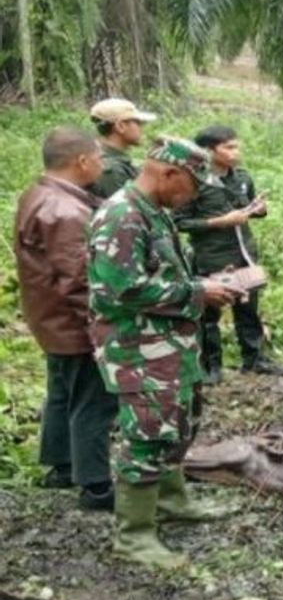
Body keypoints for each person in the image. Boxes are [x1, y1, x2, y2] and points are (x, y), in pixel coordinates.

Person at [89, 137, 243, 570]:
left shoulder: (154, 212)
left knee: (178, 424)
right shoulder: (122, 215)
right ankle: (134, 535)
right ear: (169, 173)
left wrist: (207, 283)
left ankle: (172, 500)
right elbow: (120, 289)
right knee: (147, 435)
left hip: (170, 344)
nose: (192, 197)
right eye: (192, 186)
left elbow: (161, 272)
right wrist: (197, 292)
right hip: (138, 348)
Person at [14, 127, 118, 511]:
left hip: (50, 320)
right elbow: (79, 281)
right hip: (73, 324)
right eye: (100, 158)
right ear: (82, 161)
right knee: (93, 401)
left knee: (62, 393)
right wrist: (103, 328)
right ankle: (96, 486)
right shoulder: (67, 212)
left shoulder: (38, 193)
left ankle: (62, 466)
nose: (103, 165)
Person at [175, 125, 283, 383]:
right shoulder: (194, 181)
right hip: (212, 257)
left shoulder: (242, 178)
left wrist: (258, 210)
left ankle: (255, 359)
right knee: (209, 316)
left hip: (244, 254)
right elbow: (178, 222)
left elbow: (247, 208)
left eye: (237, 146)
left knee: (249, 310)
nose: (236, 152)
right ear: (209, 151)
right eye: (229, 147)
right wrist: (219, 222)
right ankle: (211, 367)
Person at [87, 98, 157, 198]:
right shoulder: (112, 169)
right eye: (138, 123)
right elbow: (125, 206)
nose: (141, 129)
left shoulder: (113, 161)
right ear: (121, 126)